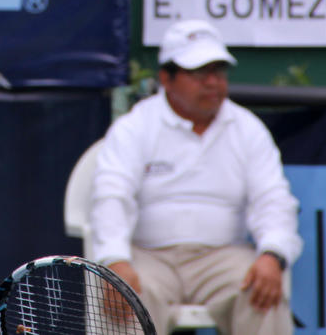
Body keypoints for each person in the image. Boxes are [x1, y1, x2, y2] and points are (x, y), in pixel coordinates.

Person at [89, 19, 302, 335]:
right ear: (167, 78)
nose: (212, 82)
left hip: (223, 257)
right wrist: (116, 260)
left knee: (265, 286)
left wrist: (272, 255)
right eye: (200, 72)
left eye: (219, 71)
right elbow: (111, 196)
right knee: (119, 290)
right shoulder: (135, 127)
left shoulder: (248, 129)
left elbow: (273, 199)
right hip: (147, 257)